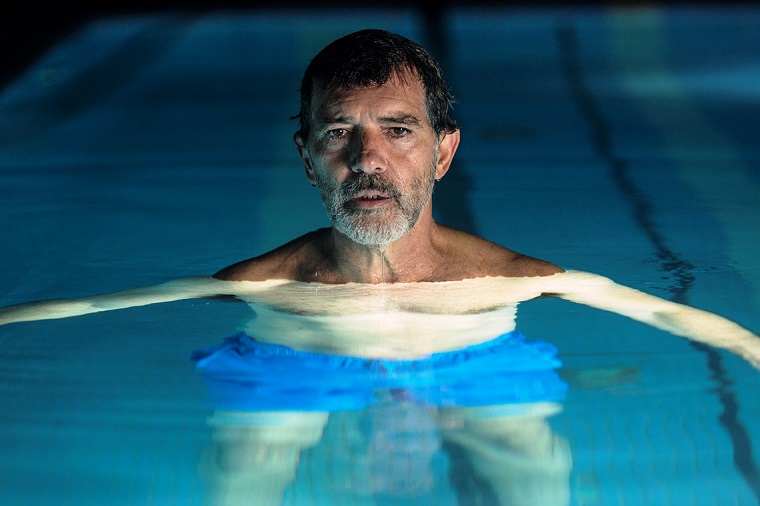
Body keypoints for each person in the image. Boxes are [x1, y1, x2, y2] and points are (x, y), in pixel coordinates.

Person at [0, 28, 759, 505]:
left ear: (443, 150)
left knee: (536, 477)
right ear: (308, 157)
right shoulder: (263, 283)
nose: (367, 159)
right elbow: (95, 307)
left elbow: (657, 311)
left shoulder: (509, 276)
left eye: (398, 130)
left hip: (479, 363)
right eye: (339, 132)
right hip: (291, 363)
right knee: (239, 479)